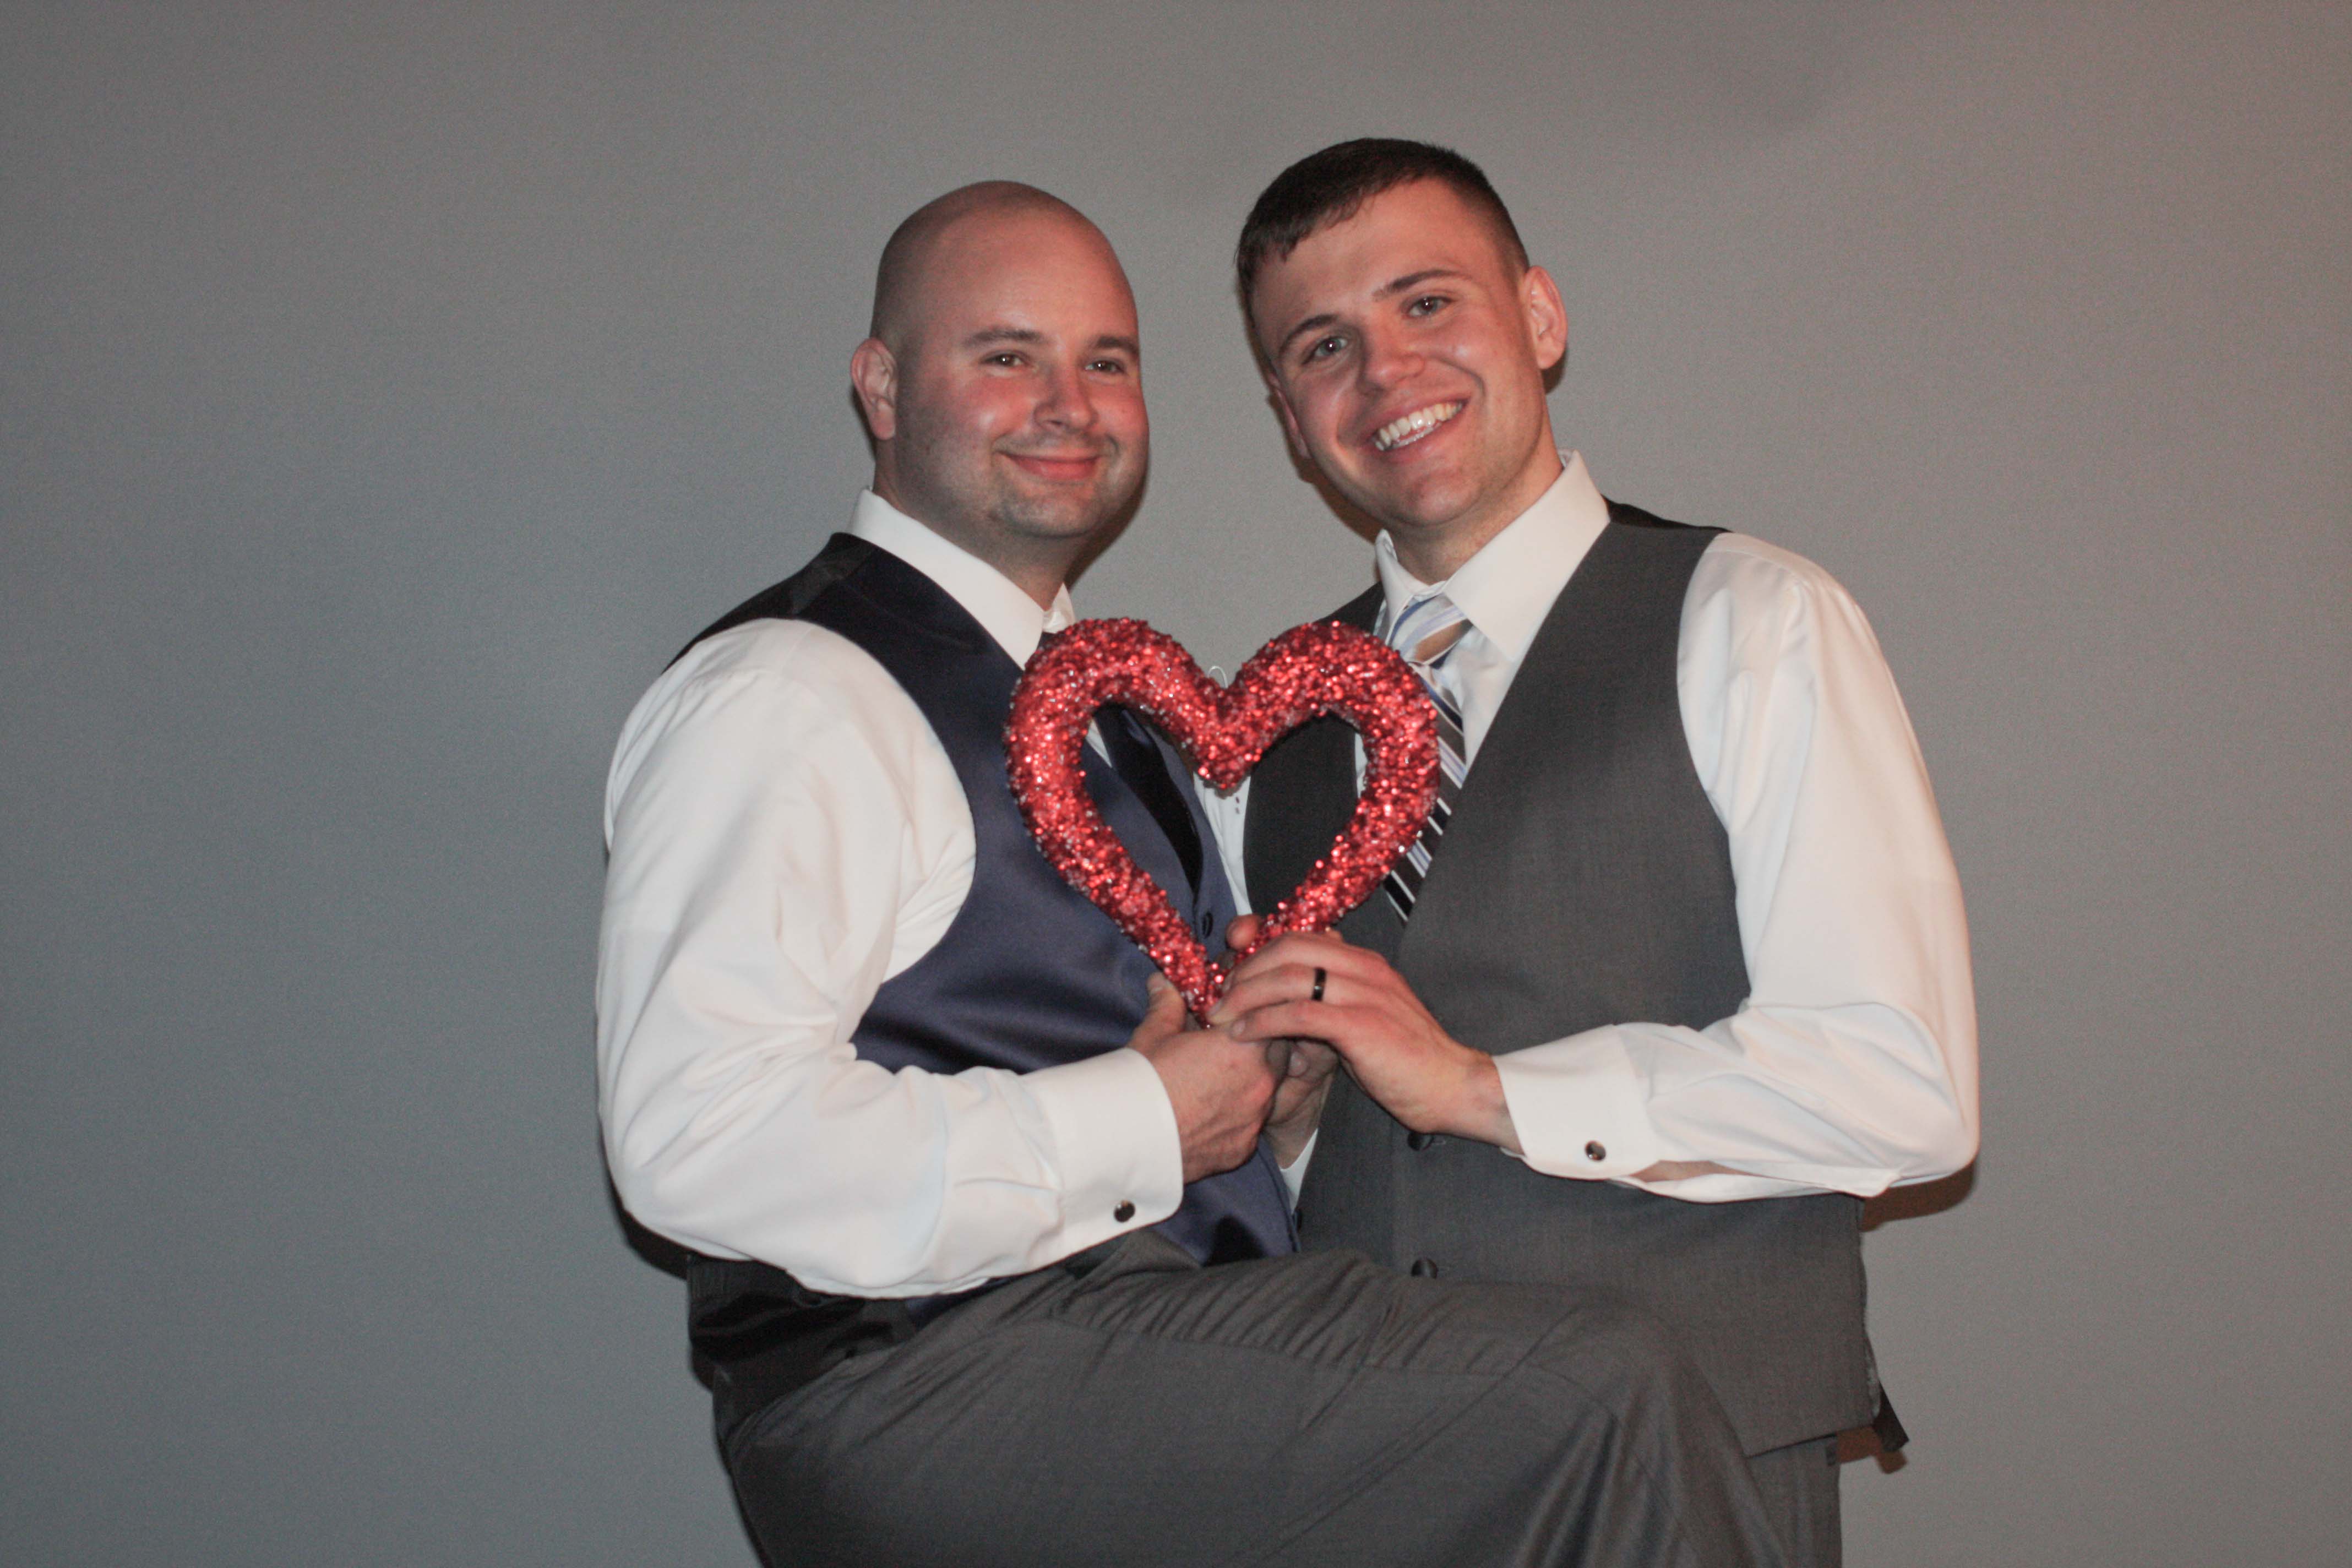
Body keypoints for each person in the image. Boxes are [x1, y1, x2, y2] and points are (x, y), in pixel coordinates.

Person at [596, 179, 1794, 1566]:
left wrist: (1266, 1100)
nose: (1070, 404)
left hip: (1141, 1344)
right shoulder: (793, 687)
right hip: (915, 1375)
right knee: (1596, 1396)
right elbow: (697, 1140)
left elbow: (1100, 1076)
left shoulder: (1111, 719)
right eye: (1007, 355)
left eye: (1108, 361)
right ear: (881, 386)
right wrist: (1150, 1112)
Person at [1212, 139, 1981, 1568]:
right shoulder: (1276, 716)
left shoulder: (1755, 617)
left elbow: (1903, 1086)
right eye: (1324, 345)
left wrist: (1482, 1088)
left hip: (1688, 1465)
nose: (1385, 370)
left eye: (1427, 302)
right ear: (1290, 418)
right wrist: (1291, 1108)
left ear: (1540, 316)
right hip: (1369, 1474)